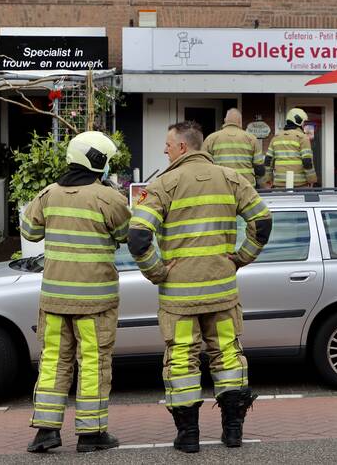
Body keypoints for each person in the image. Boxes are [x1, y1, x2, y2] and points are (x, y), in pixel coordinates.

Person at [127, 121, 273, 453]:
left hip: (179, 298)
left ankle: (189, 435)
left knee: (181, 360)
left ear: (183, 147)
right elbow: (262, 221)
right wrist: (240, 258)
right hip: (221, 293)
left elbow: (137, 236)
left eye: (168, 144)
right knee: (227, 356)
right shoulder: (232, 179)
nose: (165, 150)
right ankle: (233, 431)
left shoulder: (164, 185)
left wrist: (157, 272)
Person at [22, 131, 132, 454]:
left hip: (54, 301)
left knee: (53, 362)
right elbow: (126, 233)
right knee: (94, 364)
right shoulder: (108, 198)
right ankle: (91, 433)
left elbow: (29, 230)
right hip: (94, 303)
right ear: (97, 161)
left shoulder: (48, 194)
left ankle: (45, 431)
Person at [203, 108, 266, 188]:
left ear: (225, 120)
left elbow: (203, 165)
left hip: (221, 187)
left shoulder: (211, 138)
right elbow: (259, 170)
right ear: (240, 121)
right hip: (246, 187)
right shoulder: (252, 139)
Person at [265, 108, 317, 188]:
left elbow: (268, 161)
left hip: (279, 184)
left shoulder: (276, 138)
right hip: (299, 185)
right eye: (303, 122)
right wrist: (311, 180)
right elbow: (307, 162)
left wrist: (268, 179)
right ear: (299, 121)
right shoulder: (302, 138)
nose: (304, 125)